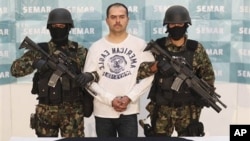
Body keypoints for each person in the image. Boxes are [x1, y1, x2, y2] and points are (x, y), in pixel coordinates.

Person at [10, 8, 97, 137]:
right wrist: (37, 63)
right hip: (46, 110)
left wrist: (89, 75)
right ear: (49, 28)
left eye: (62, 26)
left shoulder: (80, 51)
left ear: (69, 27)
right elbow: (15, 70)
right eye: (54, 26)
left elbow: (98, 71)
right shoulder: (40, 50)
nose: (58, 29)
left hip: (73, 111)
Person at [138, 5, 216, 137]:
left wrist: (204, 94)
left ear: (186, 25)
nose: (176, 27)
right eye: (172, 24)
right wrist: (157, 65)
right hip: (162, 108)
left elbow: (208, 75)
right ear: (167, 26)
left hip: (188, 110)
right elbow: (140, 72)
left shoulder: (196, 48)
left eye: (180, 23)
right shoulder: (159, 46)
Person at [83, 3, 155, 137]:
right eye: (113, 17)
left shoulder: (140, 45)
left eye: (121, 17)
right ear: (107, 20)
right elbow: (88, 81)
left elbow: (149, 76)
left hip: (129, 111)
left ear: (128, 19)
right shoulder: (96, 47)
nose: (117, 21)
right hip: (103, 112)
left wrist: (130, 97)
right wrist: (110, 99)